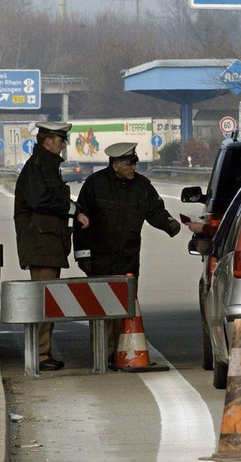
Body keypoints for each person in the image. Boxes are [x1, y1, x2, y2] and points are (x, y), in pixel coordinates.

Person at [73, 142, 182, 364]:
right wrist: (83, 255)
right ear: (115, 165)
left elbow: (156, 211)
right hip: (99, 258)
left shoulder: (142, 186)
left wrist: (170, 224)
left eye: (135, 162)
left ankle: (123, 354)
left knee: (125, 308)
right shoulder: (95, 185)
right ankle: (102, 356)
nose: (134, 167)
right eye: (129, 163)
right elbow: (80, 221)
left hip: (128, 258)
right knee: (102, 312)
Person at [14, 121, 90, 372]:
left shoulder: (46, 165)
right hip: (41, 242)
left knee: (47, 298)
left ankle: (43, 353)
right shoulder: (38, 167)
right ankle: (40, 355)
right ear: (47, 141)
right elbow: (40, 200)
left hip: (47, 241)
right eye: (60, 140)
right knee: (43, 300)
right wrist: (72, 210)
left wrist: (75, 210)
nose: (64, 144)